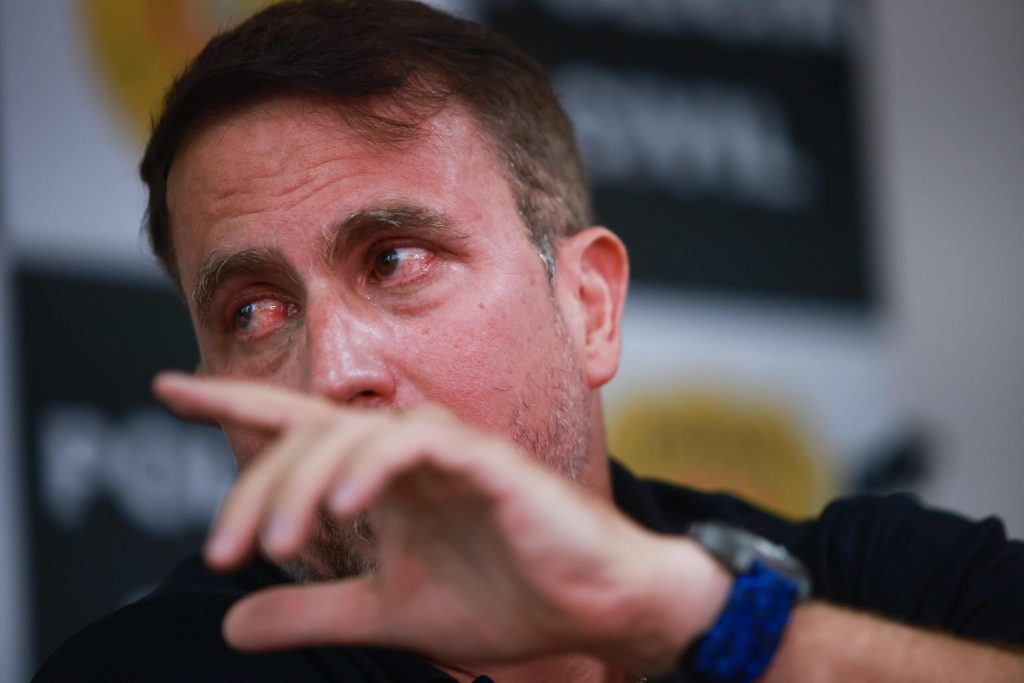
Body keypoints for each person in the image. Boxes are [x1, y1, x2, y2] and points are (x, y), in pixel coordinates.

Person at [35, 1, 1024, 681]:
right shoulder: (164, 665)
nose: (332, 372)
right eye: (253, 311)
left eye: (395, 259)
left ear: (588, 305)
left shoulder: (876, 581)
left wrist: (699, 624)